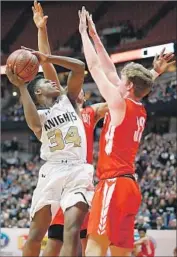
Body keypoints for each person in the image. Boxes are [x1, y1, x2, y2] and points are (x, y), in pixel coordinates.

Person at [78, 6, 175, 257]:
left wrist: (82, 33)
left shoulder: (119, 104)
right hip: (130, 189)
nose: (116, 81)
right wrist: (96, 36)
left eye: (122, 80)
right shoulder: (138, 106)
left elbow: (96, 68)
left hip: (113, 184)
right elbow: (111, 70)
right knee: (121, 253)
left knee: (94, 249)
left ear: (129, 86)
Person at [6, 16, 94, 257]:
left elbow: (78, 67)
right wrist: (22, 86)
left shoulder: (69, 101)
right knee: (36, 234)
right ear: (37, 92)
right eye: (46, 81)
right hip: (52, 171)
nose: (52, 82)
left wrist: (45, 45)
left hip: (78, 170)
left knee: (72, 230)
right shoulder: (41, 116)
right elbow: (34, 123)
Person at [30, 2, 108, 256]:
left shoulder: (90, 111)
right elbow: (47, 66)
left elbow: (119, 99)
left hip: (80, 181)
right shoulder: (63, 105)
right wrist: (42, 30)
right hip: (61, 178)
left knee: (82, 246)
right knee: (54, 245)